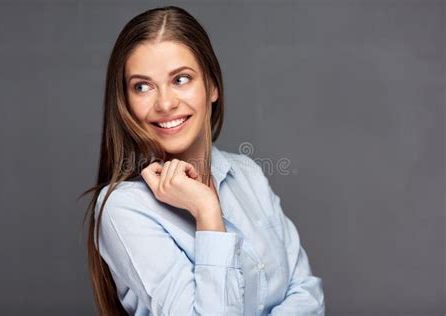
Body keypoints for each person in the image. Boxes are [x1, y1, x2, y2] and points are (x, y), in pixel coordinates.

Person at [81, 5, 325, 316]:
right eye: (142, 87)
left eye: (181, 79)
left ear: (212, 86)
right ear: (125, 102)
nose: (165, 103)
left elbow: (308, 295)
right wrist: (207, 211)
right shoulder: (123, 208)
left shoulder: (247, 173)